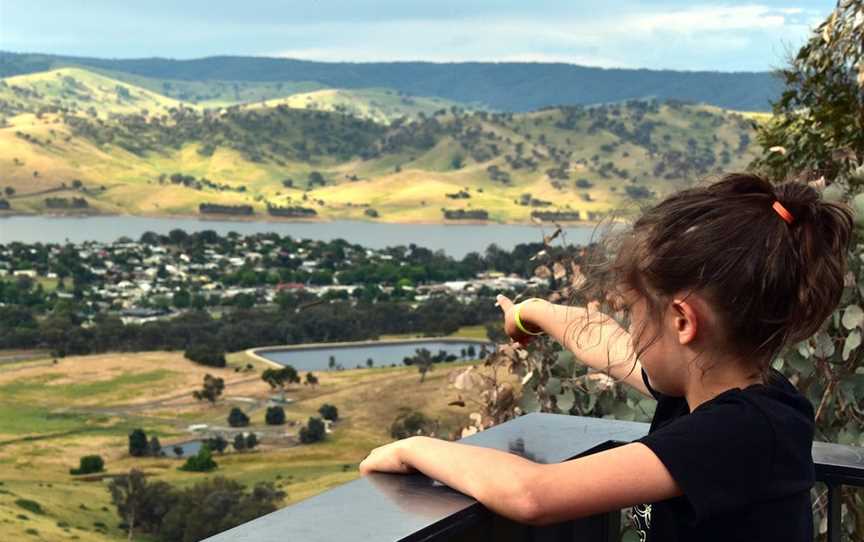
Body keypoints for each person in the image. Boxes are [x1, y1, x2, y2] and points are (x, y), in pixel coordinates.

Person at [359, 173, 853, 541]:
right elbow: (604, 342)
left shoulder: (740, 434)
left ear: (684, 322)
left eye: (638, 316)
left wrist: (414, 447)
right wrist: (530, 313)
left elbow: (535, 495)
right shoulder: (729, 392)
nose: (632, 334)